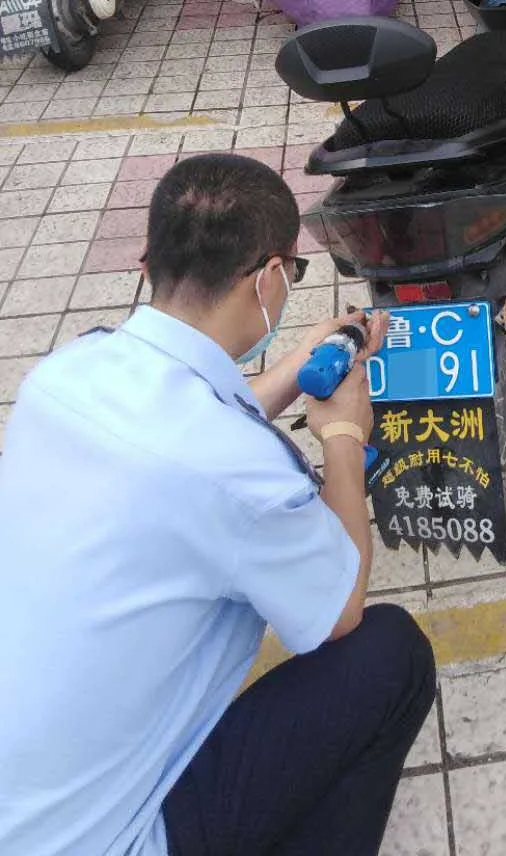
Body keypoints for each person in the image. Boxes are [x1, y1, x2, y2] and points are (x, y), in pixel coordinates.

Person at [0, 153, 435, 856]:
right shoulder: (240, 472)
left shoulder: (65, 374)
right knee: (389, 654)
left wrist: (298, 367)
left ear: (148, 262)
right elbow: (338, 607)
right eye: (291, 273)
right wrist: (345, 437)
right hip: (106, 842)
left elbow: (188, 437)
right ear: (268, 278)